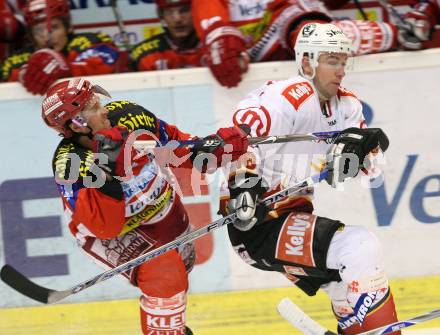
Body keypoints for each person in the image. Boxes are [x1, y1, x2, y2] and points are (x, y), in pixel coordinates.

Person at [219, 23, 400, 334]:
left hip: (293, 217)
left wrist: (362, 150)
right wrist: (244, 193)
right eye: (332, 61)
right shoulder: (287, 97)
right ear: (306, 62)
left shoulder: (347, 105)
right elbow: (241, 140)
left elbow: (371, 165)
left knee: (347, 281)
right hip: (257, 229)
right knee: (358, 246)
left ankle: (356, 325)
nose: (341, 70)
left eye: (344, 61)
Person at [41, 78, 249, 335]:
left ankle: (169, 324)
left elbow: (176, 144)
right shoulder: (70, 164)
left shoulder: (129, 115)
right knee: (165, 273)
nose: (105, 109)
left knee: (177, 277)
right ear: (77, 124)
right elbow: (104, 226)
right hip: (115, 233)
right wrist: (108, 172)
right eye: (94, 107)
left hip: (163, 207)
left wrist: (214, 150)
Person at [190, 0, 418, 88]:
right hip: (239, 92)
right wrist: (219, 39)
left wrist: (394, 33)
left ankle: (397, 33)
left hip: (295, 69)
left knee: (315, 35)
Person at [1, 0, 123, 95]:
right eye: (38, 30)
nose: (46, 36)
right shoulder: (15, 60)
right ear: (31, 36)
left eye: (54, 27)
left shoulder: (92, 41)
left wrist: (65, 68)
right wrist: (23, 75)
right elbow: (7, 78)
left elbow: (107, 63)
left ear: (68, 27)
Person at [130, 0, 205, 71]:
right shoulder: (144, 54)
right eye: (169, 12)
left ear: (196, 11)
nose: (177, 19)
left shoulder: (212, 45)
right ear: (162, 16)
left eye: (184, 11)